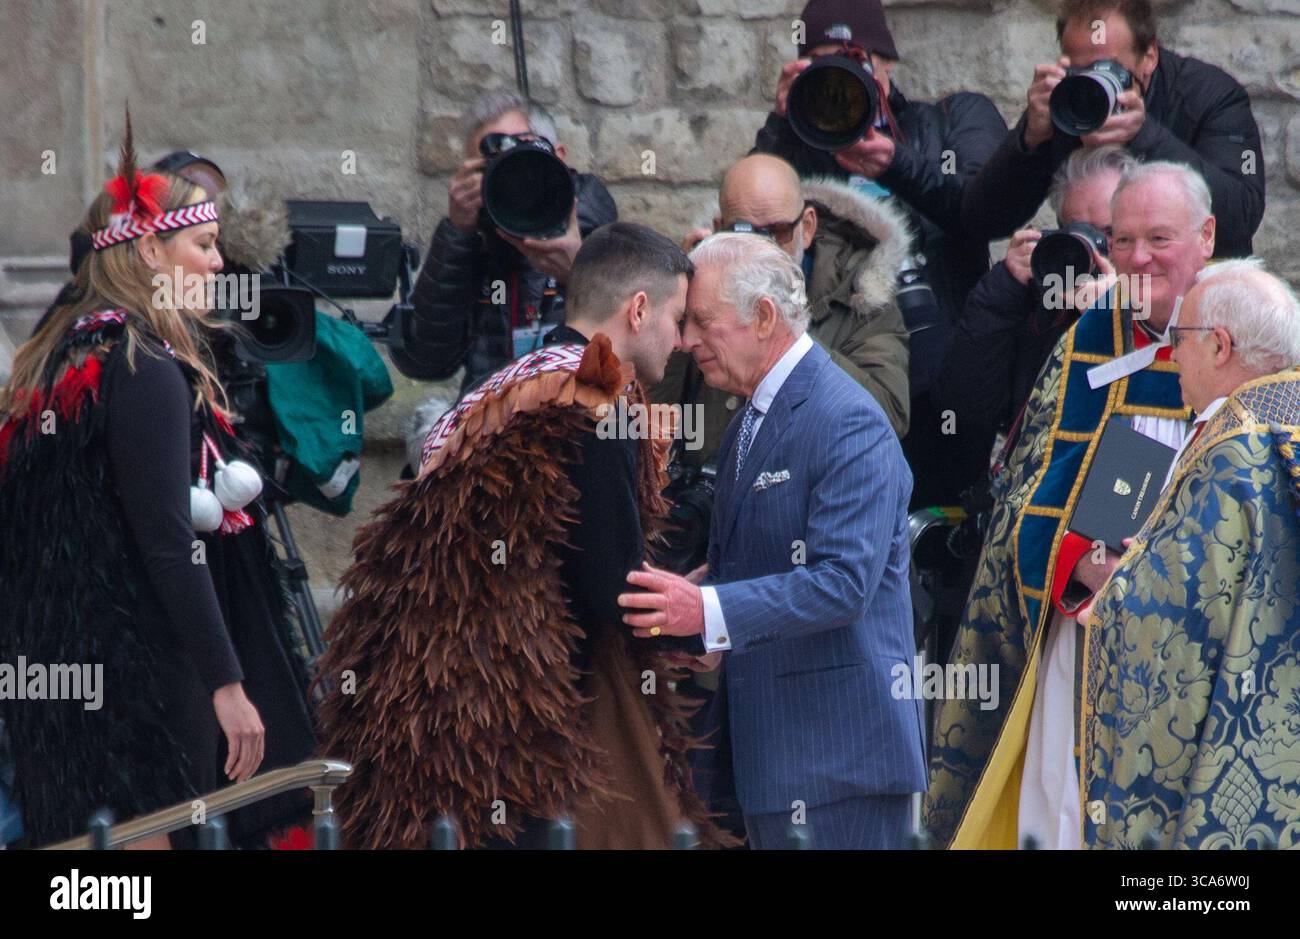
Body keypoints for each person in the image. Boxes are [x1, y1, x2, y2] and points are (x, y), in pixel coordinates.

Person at [314, 222, 731, 850]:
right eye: (678, 319)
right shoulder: (596, 396)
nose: (683, 340)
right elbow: (607, 588)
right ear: (638, 309)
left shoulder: (512, 382)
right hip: (501, 722)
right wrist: (687, 619)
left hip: (427, 705)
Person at [925, 161, 1215, 849]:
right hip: (1081, 636)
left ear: (1207, 236)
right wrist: (1078, 559)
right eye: (1121, 240)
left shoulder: (1259, 331)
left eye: (1160, 238)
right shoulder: (1088, 338)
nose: (1137, 258)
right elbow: (1024, 491)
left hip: (1199, 645)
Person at [0, 121, 269, 848]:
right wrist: (228, 683)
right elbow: (166, 544)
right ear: (150, 250)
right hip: (135, 681)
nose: (218, 265)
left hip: (53, 678)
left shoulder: (52, 363)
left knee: (89, 884)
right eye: (203, 245)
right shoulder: (140, 367)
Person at [619, 233, 926, 849]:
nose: (685, 342)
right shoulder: (753, 415)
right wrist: (705, 630)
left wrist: (704, 610)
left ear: (762, 317)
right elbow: (762, 562)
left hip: (838, 765)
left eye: (701, 322)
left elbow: (842, 585)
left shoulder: (848, 420)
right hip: (773, 756)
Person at [1081, 260, 1300, 849]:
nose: (1171, 356)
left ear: (1220, 346)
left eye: (1179, 340)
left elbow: (1172, 615)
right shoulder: (1288, 419)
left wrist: (1117, 586)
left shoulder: (1229, 451)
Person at [753, 0, 1007, 507]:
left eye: (857, 62)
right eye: (825, 66)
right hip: (845, 373)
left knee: (945, 525)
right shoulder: (796, 146)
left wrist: (897, 164)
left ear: (887, 64)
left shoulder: (954, 120)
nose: (841, 81)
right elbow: (754, 232)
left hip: (947, 371)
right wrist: (786, 127)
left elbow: (985, 210)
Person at [964, 0, 1264, 258]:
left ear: (1149, 57)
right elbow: (984, 220)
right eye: (1079, 70)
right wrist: (1030, 139)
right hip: (1095, 291)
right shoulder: (1069, 102)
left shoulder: (1207, 95)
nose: (1092, 84)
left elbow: (1240, 218)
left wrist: (1146, 137)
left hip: (1195, 287)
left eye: (1107, 69)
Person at [390, 90, 618, 394]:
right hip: (491, 431)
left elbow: (634, 356)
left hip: (579, 425)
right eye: (495, 165)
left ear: (558, 156)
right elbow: (424, 360)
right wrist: (457, 235)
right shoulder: (477, 245)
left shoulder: (604, 237)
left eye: (521, 153)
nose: (516, 176)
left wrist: (577, 274)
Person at [935, 145, 1137, 482]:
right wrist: (1003, 289)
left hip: (1118, 499)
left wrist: (1119, 315)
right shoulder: (1041, 301)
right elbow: (962, 411)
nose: (1092, 247)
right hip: (1033, 495)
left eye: (1109, 233)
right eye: (1078, 232)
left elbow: (1152, 419)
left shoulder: (1157, 297)